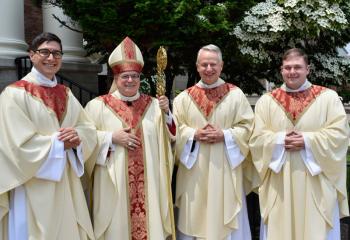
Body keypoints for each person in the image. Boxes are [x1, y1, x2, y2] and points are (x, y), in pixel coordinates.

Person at [0, 32, 97, 240]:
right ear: (32, 55)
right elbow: (14, 145)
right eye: (45, 52)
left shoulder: (67, 94)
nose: (51, 58)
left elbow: (87, 128)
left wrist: (78, 136)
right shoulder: (14, 94)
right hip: (31, 182)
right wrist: (60, 143)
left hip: (66, 180)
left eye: (57, 53)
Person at [249, 48, 349, 240]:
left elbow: (340, 134)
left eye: (297, 67)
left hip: (316, 183)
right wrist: (279, 140)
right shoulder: (266, 101)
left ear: (308, 69)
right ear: (281, 70)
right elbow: (256, 139)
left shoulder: (328, 98)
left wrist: (306, 140)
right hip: (280, 182)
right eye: (288, 68)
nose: (292, 72)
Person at [84, 37, 176, 240]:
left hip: (149, 187)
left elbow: (168, 140)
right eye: (125, 76)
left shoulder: (154, 105)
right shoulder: (98, 106)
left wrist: (167, 113)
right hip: (113, 188)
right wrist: (109, 138)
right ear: (116, 78)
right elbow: (85, 139)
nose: (130, 81)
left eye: (135, 76)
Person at [173, 44, 255, 240]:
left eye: (213, 64)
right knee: (194, 213)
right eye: (204, 64)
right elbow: (174, 132)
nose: (209, 69)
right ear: (197, 66)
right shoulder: (183, 99)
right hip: (195, 173)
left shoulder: (236, 95)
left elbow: (249, 129)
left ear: (221, 66)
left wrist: (225, 135)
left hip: (225, 170)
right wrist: (194, 134)